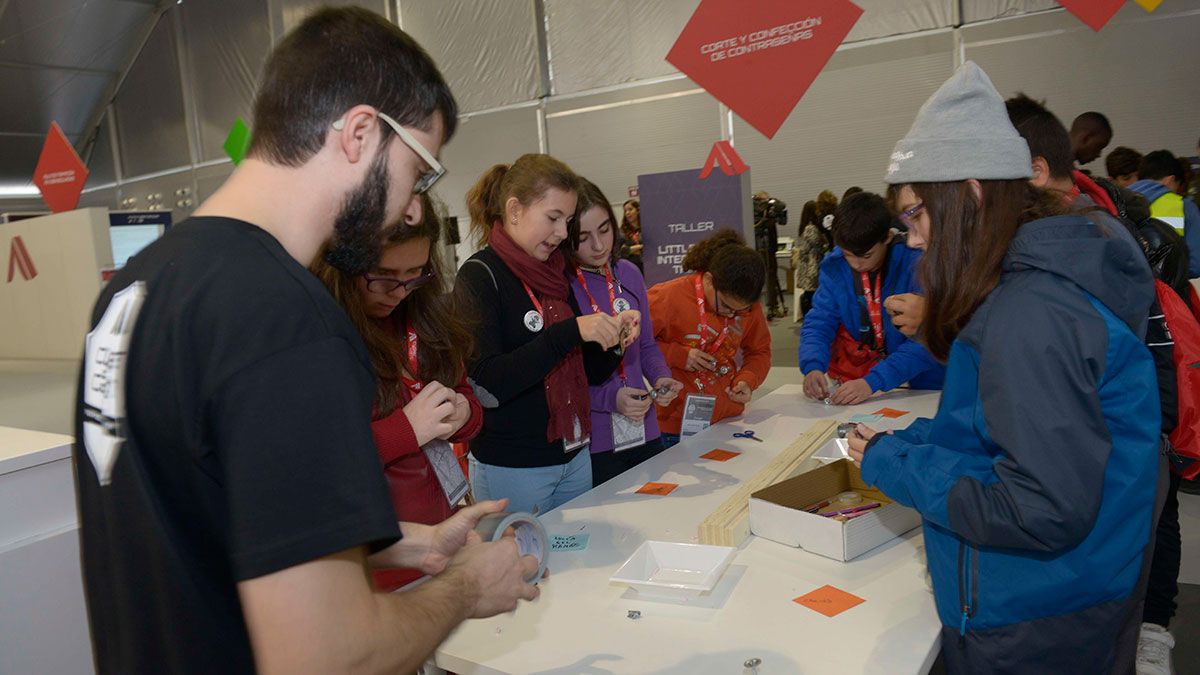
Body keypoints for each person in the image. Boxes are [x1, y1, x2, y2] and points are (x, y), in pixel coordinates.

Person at [72, 8, 538, 674]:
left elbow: (207, 523)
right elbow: (328, 658)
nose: (412, 207)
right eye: (421, 170)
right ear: (359, 133)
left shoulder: (136, 288)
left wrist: (407, 545)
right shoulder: (286, 317)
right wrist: (465, 586)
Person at [853, 62, 1160, 674]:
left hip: (1032, 613)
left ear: (968, 193)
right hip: (1073, 588)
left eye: (916, 214)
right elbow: (1007, 436)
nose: (912, 239)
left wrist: (897, 464)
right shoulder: (1030, 285)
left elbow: (1040, 505)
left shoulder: (1031, 311)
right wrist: (914, 441)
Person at [312, 195, 483, 592]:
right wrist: (406, 430)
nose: (399, 291)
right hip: (375, 567)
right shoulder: (322, 336)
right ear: (346, 265)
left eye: (415, 274)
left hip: (440, 543)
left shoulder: (425, 317)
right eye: (384, 276)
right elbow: (321, 464)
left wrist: (462, 413)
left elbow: (466, 398)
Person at [457, 154, 640, 515]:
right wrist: (569, 332)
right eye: (553, 218)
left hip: (573, 455)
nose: (561, 233)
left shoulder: (555, 276)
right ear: (514, 210)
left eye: (567, 221)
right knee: (519, 568)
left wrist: (615, 340)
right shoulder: (479, 276)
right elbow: (488, 386)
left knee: (575, 566)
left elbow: (591, 371)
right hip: (514, 466)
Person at [568, 179, 682, 486]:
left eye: (604, 230)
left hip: (645, 428)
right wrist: (610, 398)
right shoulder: (562, 287)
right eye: (583, 237)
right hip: (597, 440)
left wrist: (660, 376)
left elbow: (645, 345)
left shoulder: (629, 273)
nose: (599, 246)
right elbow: (567, 375)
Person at [799, 192, 944, 405]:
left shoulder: (918, 264)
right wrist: (812, 366)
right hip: (872, 383)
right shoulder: (835, 267)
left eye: (866, 256)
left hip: (926, 384)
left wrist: (873, 381)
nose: (856, 264)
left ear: (887, 237)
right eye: (848, 254)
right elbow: (820, 321)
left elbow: (926, 339)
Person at [648, 230, 771, 447]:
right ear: (708, 280)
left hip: (728, 420)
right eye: (725, 306)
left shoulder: (748, 306)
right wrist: (677, 355)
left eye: (739, 312)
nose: (731, 315)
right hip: (672, 425)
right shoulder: (667, 297)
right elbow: (633, 347)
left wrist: (748, 379)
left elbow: (759, 351)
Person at [1130, 150, 1200, 278]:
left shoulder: (1116, 202)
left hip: (1130, 290)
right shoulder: (1184, 206)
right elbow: (1196, 265)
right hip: (1170, 291)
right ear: (1170, 180)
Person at [791, 199, 830, 320]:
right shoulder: (811, 229)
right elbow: (810, 247)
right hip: (811, 266)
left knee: (810, 293)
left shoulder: (806, 228)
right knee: (811, 294)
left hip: (808, 265)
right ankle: (809, 317)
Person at [619, 198, 644, 270]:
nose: (627, 213)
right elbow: (617, 252)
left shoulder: (646, 229)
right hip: (631, 267)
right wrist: (638, 247)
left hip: (648, 267)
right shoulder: (621, 232)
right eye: (625, 211)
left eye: (630, 209)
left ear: (638, 210)